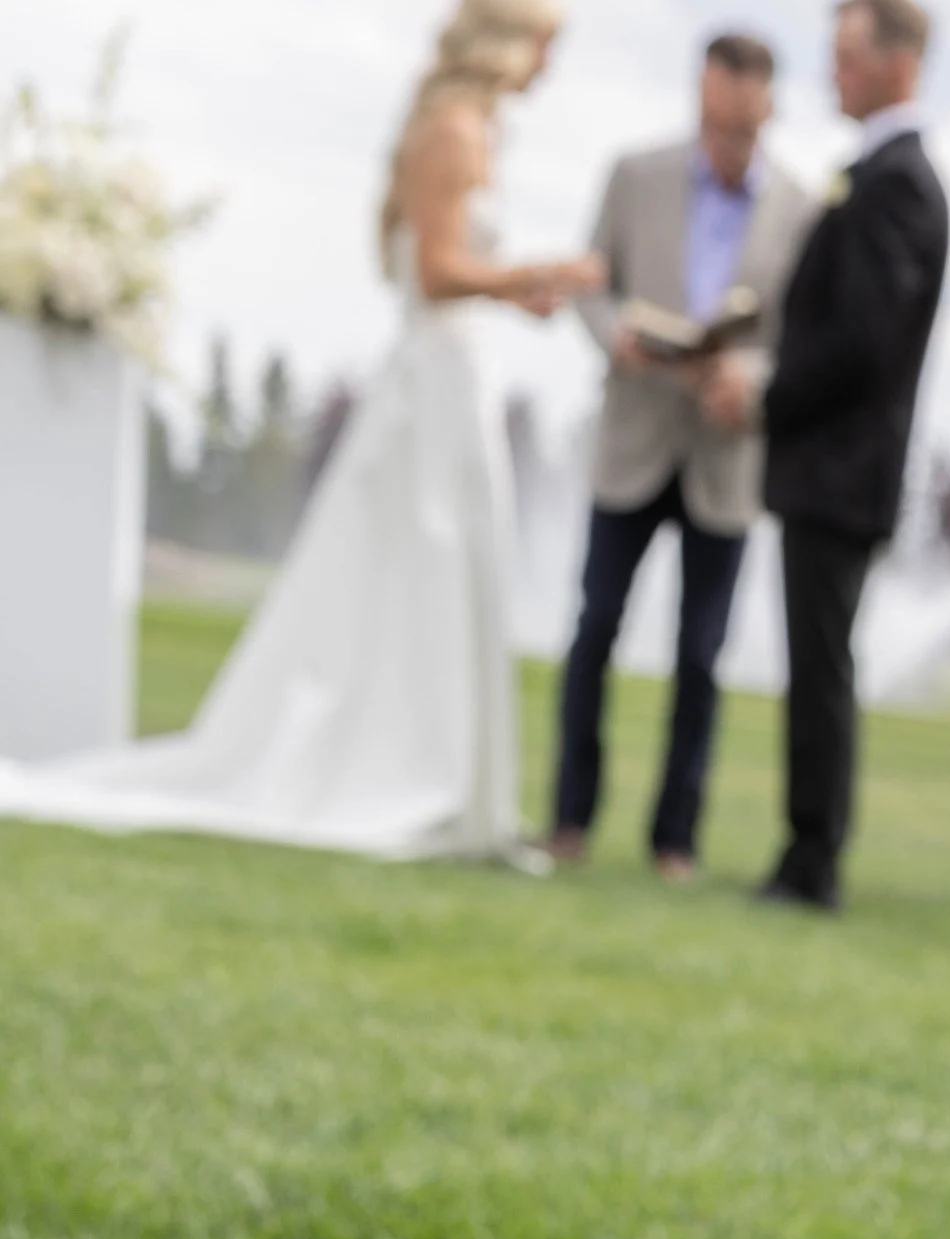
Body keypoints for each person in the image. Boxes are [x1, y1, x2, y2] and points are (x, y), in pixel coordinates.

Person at [0, 2, 600, 862]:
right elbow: (434, 271)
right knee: (420, 570)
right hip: (436, 379)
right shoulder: (455, 131)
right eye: (546, 45)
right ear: (507, 40)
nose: (547, 66)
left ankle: (448, 788)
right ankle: (410, 779)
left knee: (442, 576)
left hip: (454, 373)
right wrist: (533, 276)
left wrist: (514, 291)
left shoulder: (469, 130)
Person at [551, 36, 815, 880]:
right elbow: (591, 282)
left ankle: (675, 840)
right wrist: (614, 337)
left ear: (767, 102)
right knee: (594, 629)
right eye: (713, 97)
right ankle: (568, 820)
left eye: (741, 101)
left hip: (723, 454)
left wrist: (750, 373)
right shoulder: (636, 174)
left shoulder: (801, 210)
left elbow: (799, 336)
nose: (725, 116)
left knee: (701, 657)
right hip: (634, 434)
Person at [754, 0, 950, 913]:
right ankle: (806, 847)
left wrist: (765, 394)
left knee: (823, 667)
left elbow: (862, 345)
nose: (831, 73)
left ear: (898, 63)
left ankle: (812, 858)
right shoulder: (872, 175)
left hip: (841, 472)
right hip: (827, 470)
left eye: (845, 56)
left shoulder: (896, 182)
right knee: (816, 662)